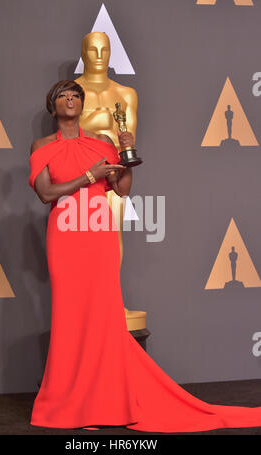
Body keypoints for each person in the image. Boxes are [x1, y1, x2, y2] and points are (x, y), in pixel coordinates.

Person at [29, 79, 261, 433]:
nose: (70, 99)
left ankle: (103, 404)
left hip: (99, 238)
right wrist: (88, 176)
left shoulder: (101, 143)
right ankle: (71, 406)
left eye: (76, 95)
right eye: (63, 95)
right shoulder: (42, 146)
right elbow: (47, 193)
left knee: (103, 319)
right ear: (53, 106)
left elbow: (121, 190)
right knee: (70, 317)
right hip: (65, 238)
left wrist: (126, 153)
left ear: (82, 103)